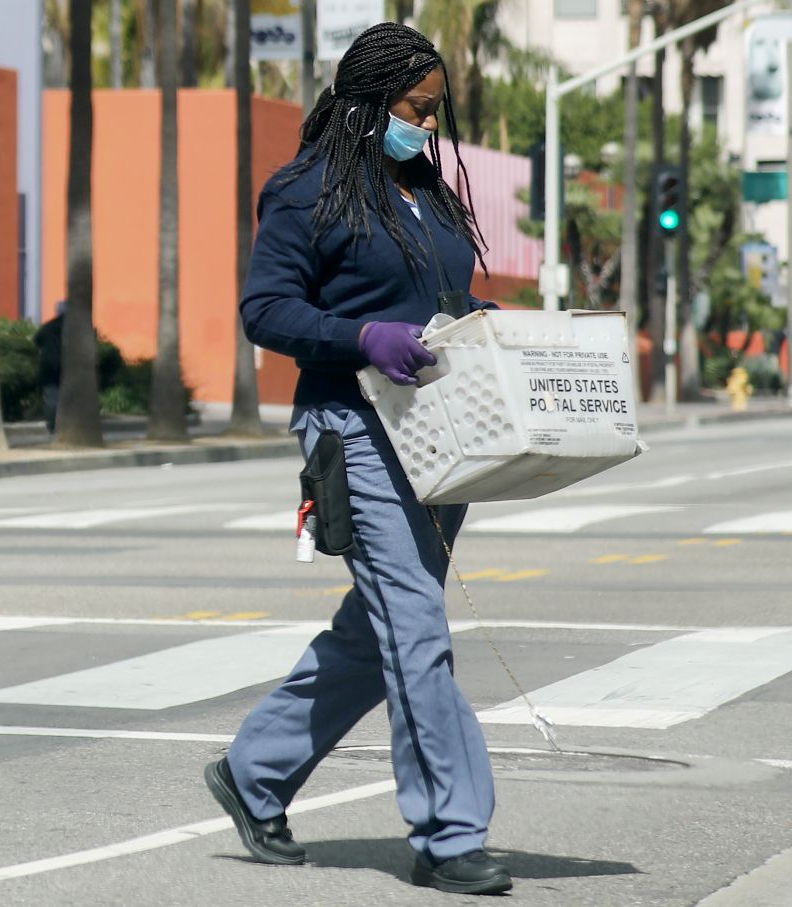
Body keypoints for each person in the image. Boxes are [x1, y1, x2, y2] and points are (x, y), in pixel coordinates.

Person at [202, 23, 510, 896]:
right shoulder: (305, 192)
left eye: (434, 109)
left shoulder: (426, 189)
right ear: (370, 102)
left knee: (379, 632)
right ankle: (451, 833)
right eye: (416, 108)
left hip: (439, 431)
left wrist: (473, 315)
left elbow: (433, 292)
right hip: (350, 427)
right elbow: (267, 311)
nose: (428, 123)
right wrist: (361, 337)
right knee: (414, 622)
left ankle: (253, 772)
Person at [33, 301, 66, 435]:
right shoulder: (76, 328)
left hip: (49, 366)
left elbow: (36, 341)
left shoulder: (47, 327)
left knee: (52, 398)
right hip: (69, 368)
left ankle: (53, 427)